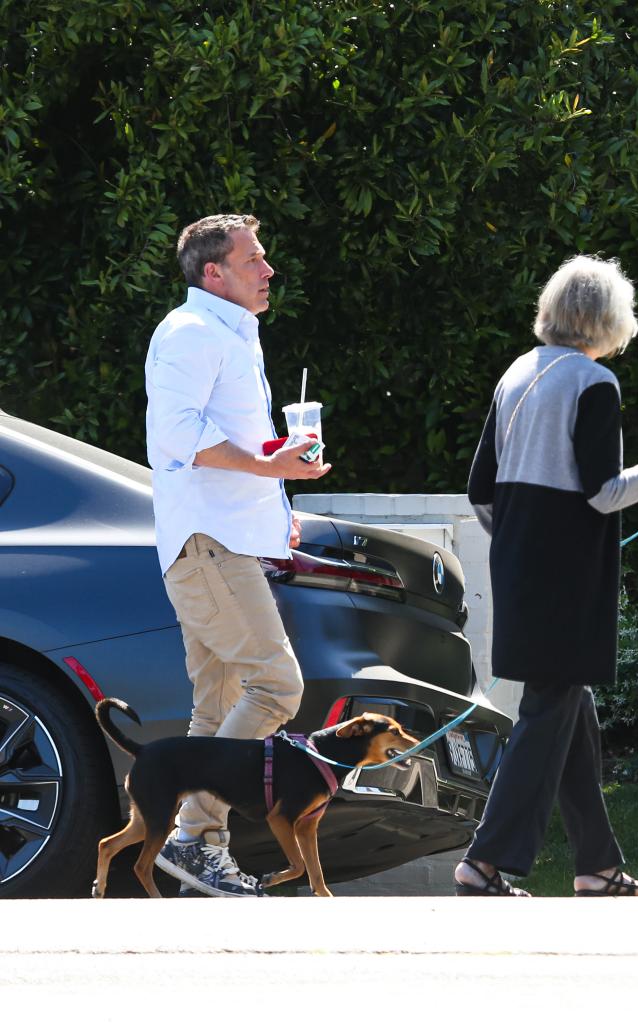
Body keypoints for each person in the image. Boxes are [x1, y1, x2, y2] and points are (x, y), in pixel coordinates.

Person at [454, 254, 638, 897]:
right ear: (607, 320)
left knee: (571, 709)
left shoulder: (517, 373)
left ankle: (596, 865)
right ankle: (484, 861)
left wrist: (522, 542)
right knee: (549, 709)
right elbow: (602, 493)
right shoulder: (593, 383)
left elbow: (479, 492)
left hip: (517, 562)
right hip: (568, 573)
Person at [145, 214, 331, 897]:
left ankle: (197, 847)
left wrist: (277, 513)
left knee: (216, 700)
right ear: (213, 273)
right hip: (208, 547)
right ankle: (194, 834)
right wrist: (267, 465)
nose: (268, 269)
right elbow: (178, 434)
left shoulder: (226, 336)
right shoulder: (193, 333)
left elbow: (234, 454)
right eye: (254, 259)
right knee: (277, 685)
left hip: (220, 545)